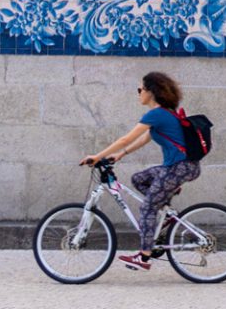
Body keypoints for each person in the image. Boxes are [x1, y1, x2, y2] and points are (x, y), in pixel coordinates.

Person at [79, 70, 201, 271]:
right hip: (177, 168)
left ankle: (144, 257)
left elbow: (125, 138)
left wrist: (97, 156)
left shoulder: (157, 114)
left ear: (150, 91)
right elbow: (145, 138)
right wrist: (121, 155)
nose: (138, 93)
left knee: (146, 208)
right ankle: (166, 213)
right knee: (139, 179)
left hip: (179, 168)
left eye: (140, 89)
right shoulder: (163, 114)